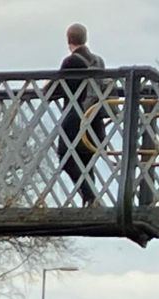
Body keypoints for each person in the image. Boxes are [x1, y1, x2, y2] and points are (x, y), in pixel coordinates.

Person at [53, 23, 108, 206]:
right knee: (86, 161)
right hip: (95, 119)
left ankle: (91, 197)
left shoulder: (71, 62)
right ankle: (90, 201)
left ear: (68, 39)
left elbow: (56, 88)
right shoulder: (98, 61)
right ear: (85, 38)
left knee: (66, 157)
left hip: (75, 120)